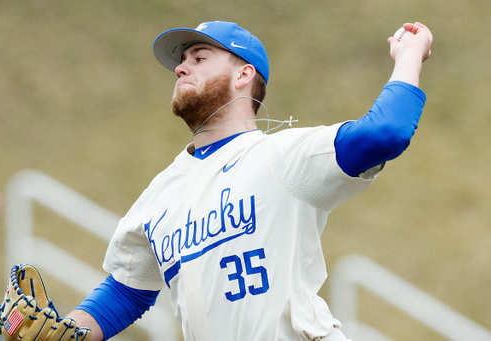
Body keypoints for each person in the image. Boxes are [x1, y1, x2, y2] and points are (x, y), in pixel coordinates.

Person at [66, 21, 433, 341]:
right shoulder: (160, 194)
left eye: (199, 57)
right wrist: (64, 331)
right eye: (181, 61)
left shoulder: (280, 158)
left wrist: (408, 57)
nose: (181, 68)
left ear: (244, 75)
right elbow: (126, 292)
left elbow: (386, 132)